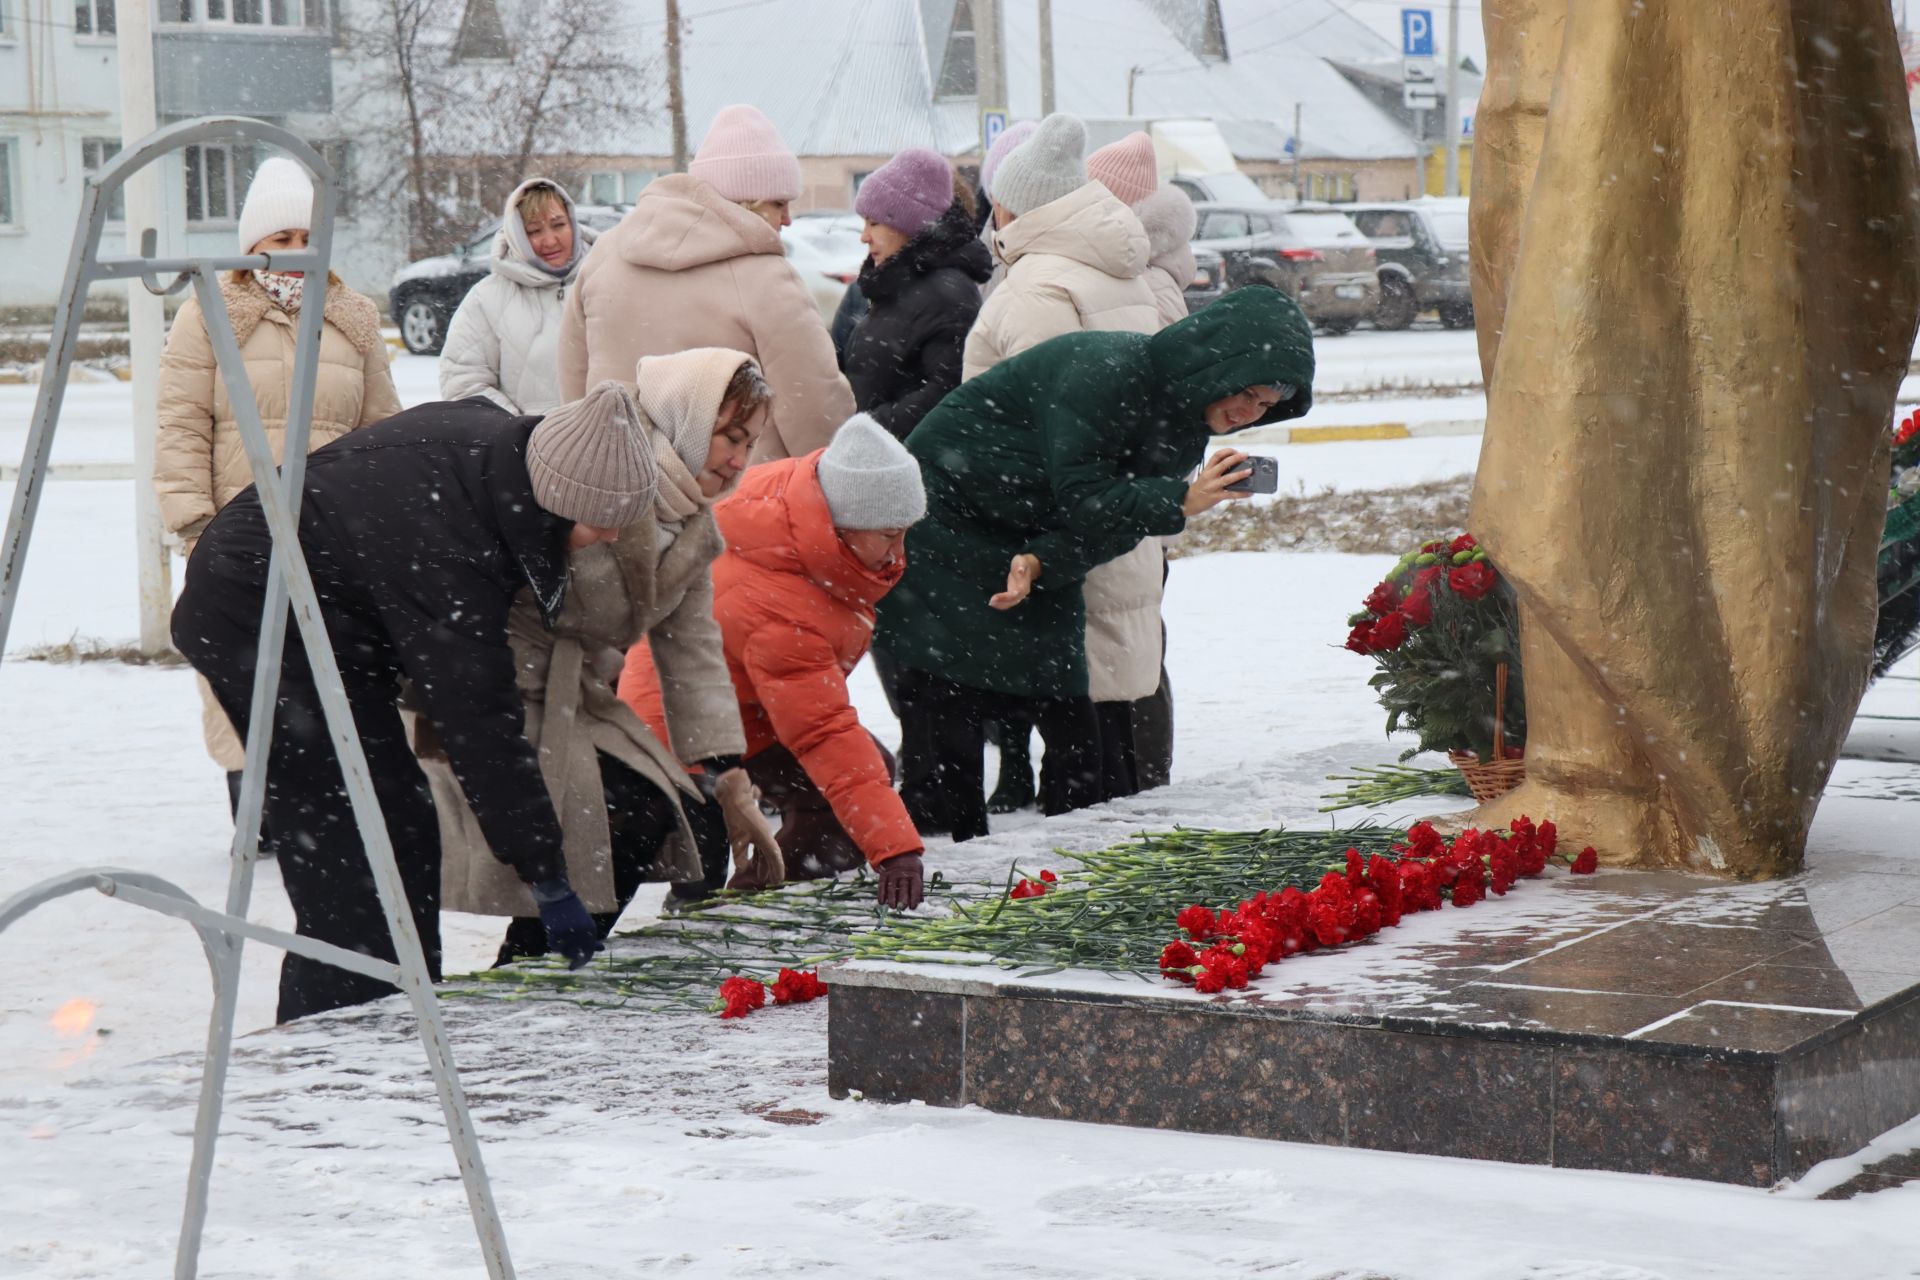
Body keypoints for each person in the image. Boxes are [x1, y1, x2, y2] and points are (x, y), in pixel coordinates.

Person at [171, 382, 659, 1022]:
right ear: (559, 499)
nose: (612, 534)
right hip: (257, 613)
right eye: (601, 520)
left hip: (327, 618)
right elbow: (479, 718)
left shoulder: (500, 464)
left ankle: (402, 1006)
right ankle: (339, 1040)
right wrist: (548, 877)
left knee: (398, 820)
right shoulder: (454, 538)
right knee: (354, 843)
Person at [875, 286, 1317, 842]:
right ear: (1214, 363)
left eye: (1265, 408)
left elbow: (1113, 525)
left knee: (1067, 706)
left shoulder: (1185, 426)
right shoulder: (1104, 371)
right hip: (943, 521)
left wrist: (1041, 561)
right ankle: (949, 871)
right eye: (1247, 393)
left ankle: (1075, 862)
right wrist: (1180, 502)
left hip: (1026, 533)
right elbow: (1085, 498)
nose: (1248, 414)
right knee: (947, 708)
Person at [430, 349, 785, 957]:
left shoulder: (696, 528)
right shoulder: (602, 471)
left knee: (668, 805)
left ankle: (557, 957)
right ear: (688, 420)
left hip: (579, 694)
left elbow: (694, 650)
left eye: (749, 443)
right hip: (498, 682)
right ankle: (538, 961)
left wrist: (727, 772)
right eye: (729, 435)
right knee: (610, 809)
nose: (738, 460)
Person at [154, 155, 402, 828]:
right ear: (253, 246)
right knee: (241, 667)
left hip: (333, 533)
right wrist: (193, 523)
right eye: (280, 240)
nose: (295, 254)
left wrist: (383, 525)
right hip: (235, 530)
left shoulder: (351, 317)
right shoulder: (208, 312)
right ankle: (254, 802)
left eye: (306, 238)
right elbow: (180, 423)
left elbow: (381, 429)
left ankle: (328, 803)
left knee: (330, 666)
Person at [620, 414, 930, 910]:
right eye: (889, 536)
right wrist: (895, 851)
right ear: (844, 525)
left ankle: (757, 893)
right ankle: (718, 917)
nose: (898, 555)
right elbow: (822, 730)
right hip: (682, 729)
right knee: (703, 857)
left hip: (741, 710)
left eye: (904, 534)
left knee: (859, 778)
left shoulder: (803, 509)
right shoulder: (780, 603)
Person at [958, 114, 1163, 815]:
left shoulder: (1037, 289)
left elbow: (1041, 434)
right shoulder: (1120, 275)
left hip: (1055, 545)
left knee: (1081, 763)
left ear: (1017, 207)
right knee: (1112, 741)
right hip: (1119, 525)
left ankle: (1094, 898)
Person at [557, 104, 855, 463]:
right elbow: (814, 405)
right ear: (747, 202)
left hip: (624, 485)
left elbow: (574, 376)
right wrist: (835, 477)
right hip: (737, 495)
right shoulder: (766, 278)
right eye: (779, 203)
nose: (789, 219)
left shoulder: (606, 254)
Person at [1084, 131, 1205, 795]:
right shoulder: (1145, 276)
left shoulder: (1149, 285)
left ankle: (1146, 772)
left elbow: (1156, 402)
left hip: (1140, 490)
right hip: (1140, 487)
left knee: (1135, 634)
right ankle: (1137, 767)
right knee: (1129, 629)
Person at [962, 113, 1158, 378]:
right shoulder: (1131, 278)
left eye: (997, 203)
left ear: (1007, 209)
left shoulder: (1031, 292)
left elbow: (1039, 408)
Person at [842, 148, 993, 441]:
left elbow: (946, 394)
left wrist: (869, 429)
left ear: (908, 225)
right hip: (879, 458)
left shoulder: (948, 293)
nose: (864, 236)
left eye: (874, 223)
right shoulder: (897, 283)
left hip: (909, 466)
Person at [438, 177, 593, 416]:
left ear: (573, 223)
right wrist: (520, 434)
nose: (550, 240)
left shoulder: (606, 281)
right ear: (517, 235)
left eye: (558, 224)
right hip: (525, 450)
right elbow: (463, 384)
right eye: (534, 231)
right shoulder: (487, 299)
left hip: (609, 448)